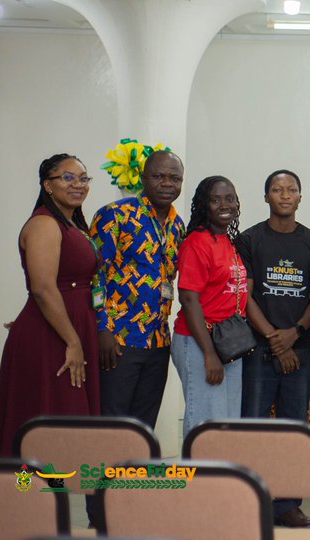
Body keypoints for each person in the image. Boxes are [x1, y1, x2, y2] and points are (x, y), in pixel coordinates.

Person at [236, 169, 310, 529]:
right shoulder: (250, 239)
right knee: (254, 427)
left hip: (300, 351)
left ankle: (287, 505)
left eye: (291, 189)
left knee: (293, 428)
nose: (285, 194)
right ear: (266, 196)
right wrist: (275, 338)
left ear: (301, 196)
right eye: (277, 189)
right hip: (259, 350)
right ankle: (250, 499)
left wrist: (297, 332)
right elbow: (245, 295)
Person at [0, 154, 99, 457]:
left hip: (63, 327)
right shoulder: (44, 223)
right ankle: (27, 495)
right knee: (43, 425)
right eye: (68, 177)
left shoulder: (71, 222)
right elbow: (42, 288)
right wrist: (73, 341)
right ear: (47, 185)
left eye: (83, 178)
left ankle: (54, 497)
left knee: (62, 431)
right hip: (55, 337)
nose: (77, 184)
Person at [90, 150, 185, 429]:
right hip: (119, 339)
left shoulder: (178, 225)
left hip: (158, 341)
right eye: (159, 176)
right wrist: (101, 328)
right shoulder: (114, 215)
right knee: (113, 423)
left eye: (175, 178)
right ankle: (105, 473)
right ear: (143, 178)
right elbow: (95, 276)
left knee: (143, 425)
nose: (167, 183)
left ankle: (133, 473)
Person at [172, 176, 247, 436]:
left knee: (227, 423)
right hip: (198, 341)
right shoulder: (197, 242)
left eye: (230, 198)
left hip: (227, 342)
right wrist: (208, 353)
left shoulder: (227, 240)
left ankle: (220, 477)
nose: (224, 204)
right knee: (206, 423)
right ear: (204, 205)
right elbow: (189, 299)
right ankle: (196, 477)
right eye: (215, 200)